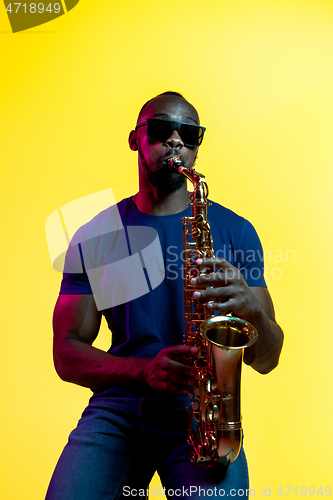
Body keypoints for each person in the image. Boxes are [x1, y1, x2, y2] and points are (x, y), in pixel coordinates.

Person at [45, 91, 284, 500]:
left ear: (196, 148)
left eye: (190, 133)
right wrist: (142, 372)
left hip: (204, 414)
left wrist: (254, 315)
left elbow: (269, 358)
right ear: (135, 139)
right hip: (118, 410)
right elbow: (66, 353)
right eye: (161, 128)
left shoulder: (236, 231)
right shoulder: (96, 236)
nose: (176, 140)